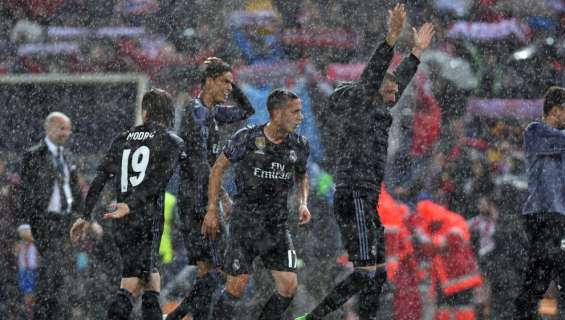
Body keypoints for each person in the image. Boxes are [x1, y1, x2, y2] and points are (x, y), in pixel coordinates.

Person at [296, 3, 435, 319]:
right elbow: (376, 73)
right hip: (355, 192)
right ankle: (314, 317)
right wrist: (390, 38)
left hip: (366, 196)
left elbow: (394, 79)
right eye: (388, 90)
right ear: (374, 90)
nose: (393, 95)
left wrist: (415, 53)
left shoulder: (376, 108)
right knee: (364, 273)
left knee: (378, 275)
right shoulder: (361, 103)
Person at [69, 88, 186, 320]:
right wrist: (132, 205)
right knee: (132, 283)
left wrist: (85, 214)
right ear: (167, 112)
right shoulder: (171, 141)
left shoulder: (122, 139)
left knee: (151, 279)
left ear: (145, 111)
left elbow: (100, 178)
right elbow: (156, 180)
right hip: (146, 219)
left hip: (122, 221)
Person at [203, 88, 311, 319]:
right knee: (236, 287)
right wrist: (213, 207)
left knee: (289, 286)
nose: (300, 117)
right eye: (295, 112)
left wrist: (303, 203)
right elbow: (218, 168)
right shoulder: (248, 138)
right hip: (246, 223)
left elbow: (302, 175)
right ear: (276, 113)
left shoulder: (299, 145)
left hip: (277, 225)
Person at [167, 56, 255, 320]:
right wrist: (211, 206)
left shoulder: (211, 113)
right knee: (227, 270)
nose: (229, 88)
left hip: (195, 196)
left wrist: (222, 197)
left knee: (206, 271)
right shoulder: (196, 112)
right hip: (198, 199)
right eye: (225, 82)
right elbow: (200, 165)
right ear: (208, 82)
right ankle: (176, 316)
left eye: (231, 83)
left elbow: (246, 110)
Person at [17, 111, 84, 320]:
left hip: (65, 221)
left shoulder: (67, 156)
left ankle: (50, 314)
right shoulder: (33, 155)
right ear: (48, 129)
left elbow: (75, 190)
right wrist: (24, 223)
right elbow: (25, 191)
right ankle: (52, 314)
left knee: (60, 276)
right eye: (61, 128)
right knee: (55, 275)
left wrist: (83, 217)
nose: (66, 132)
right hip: (45, 221)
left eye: (68, 128)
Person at [514, 86, 565, 319]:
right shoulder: (535, 131)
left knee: (545, 273)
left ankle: (524, 312)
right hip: (543, 215)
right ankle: (524, 312)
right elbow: (561, 144)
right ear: (556, 110)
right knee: (547, 272)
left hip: (562, 218)